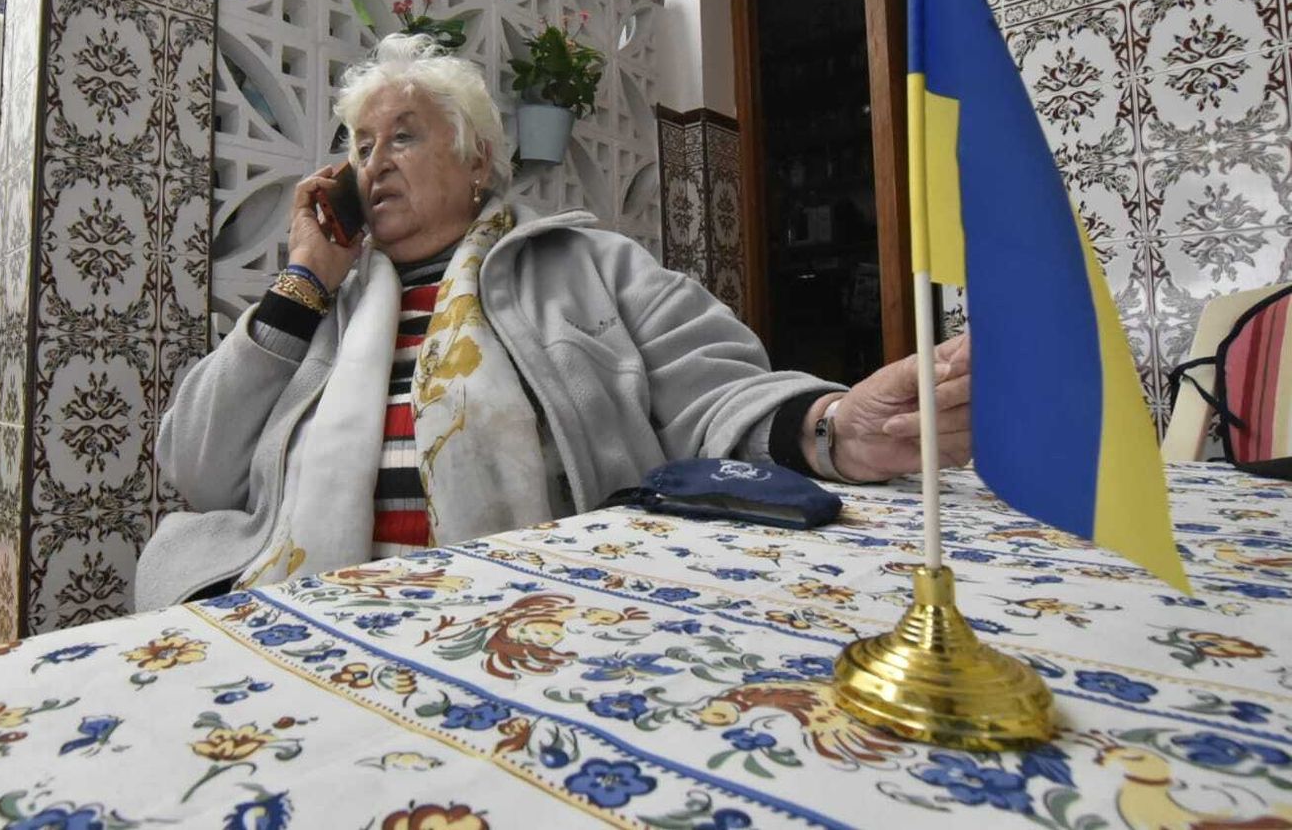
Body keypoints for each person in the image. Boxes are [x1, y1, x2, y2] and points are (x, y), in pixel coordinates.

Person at [134, 34, 971, 610]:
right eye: (358, 144)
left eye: (403, 136)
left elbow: (714, 392)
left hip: (543, 609)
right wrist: (302, 280)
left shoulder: (584, 265)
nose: (372, 162)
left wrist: (830, 427)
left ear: (475, 160)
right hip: (311, 607)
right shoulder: (320, 307)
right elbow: (199, 470)